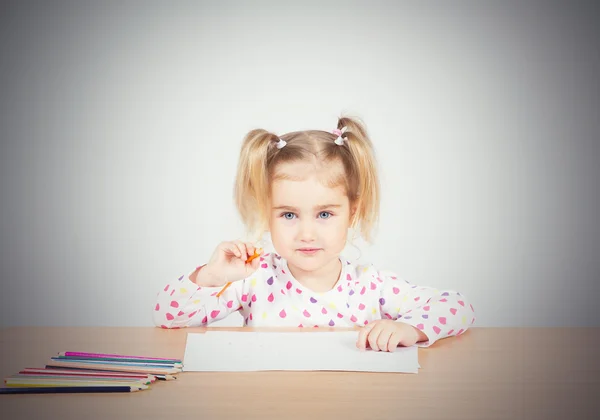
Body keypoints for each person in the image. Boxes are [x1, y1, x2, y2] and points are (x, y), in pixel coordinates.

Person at [153, 116, 475, 351]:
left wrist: (410, 329)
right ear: (268, 214)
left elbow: (459, 307)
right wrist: (210, 276)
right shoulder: (253, 280)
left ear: (353, 212)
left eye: (324, 214)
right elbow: (167, 315)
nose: (306, 233)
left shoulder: (370, 286)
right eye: (289, 214)